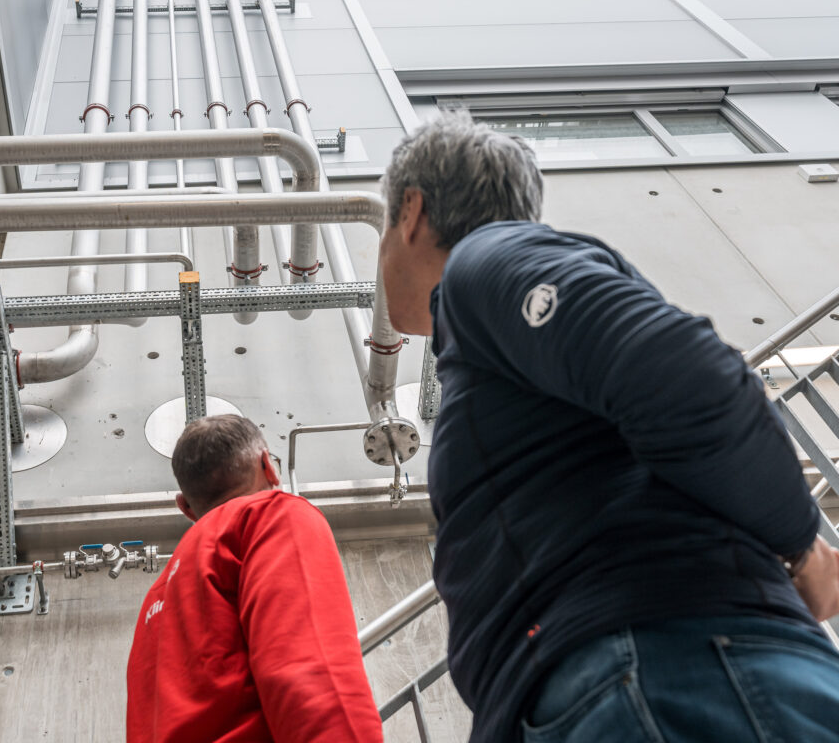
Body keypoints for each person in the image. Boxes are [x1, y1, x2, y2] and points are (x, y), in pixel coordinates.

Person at [378, 111, 839, 743]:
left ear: (411, 212)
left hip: (659, 670)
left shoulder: (486, 257)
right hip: (618, 679)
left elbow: (687, 374)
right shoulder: (489, 326)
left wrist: (801, 543)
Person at [126, 414, 383, 743]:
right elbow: (313, 670)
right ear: (269, 466)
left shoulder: (157, 597)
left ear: (186, 508)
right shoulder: (271, 517)